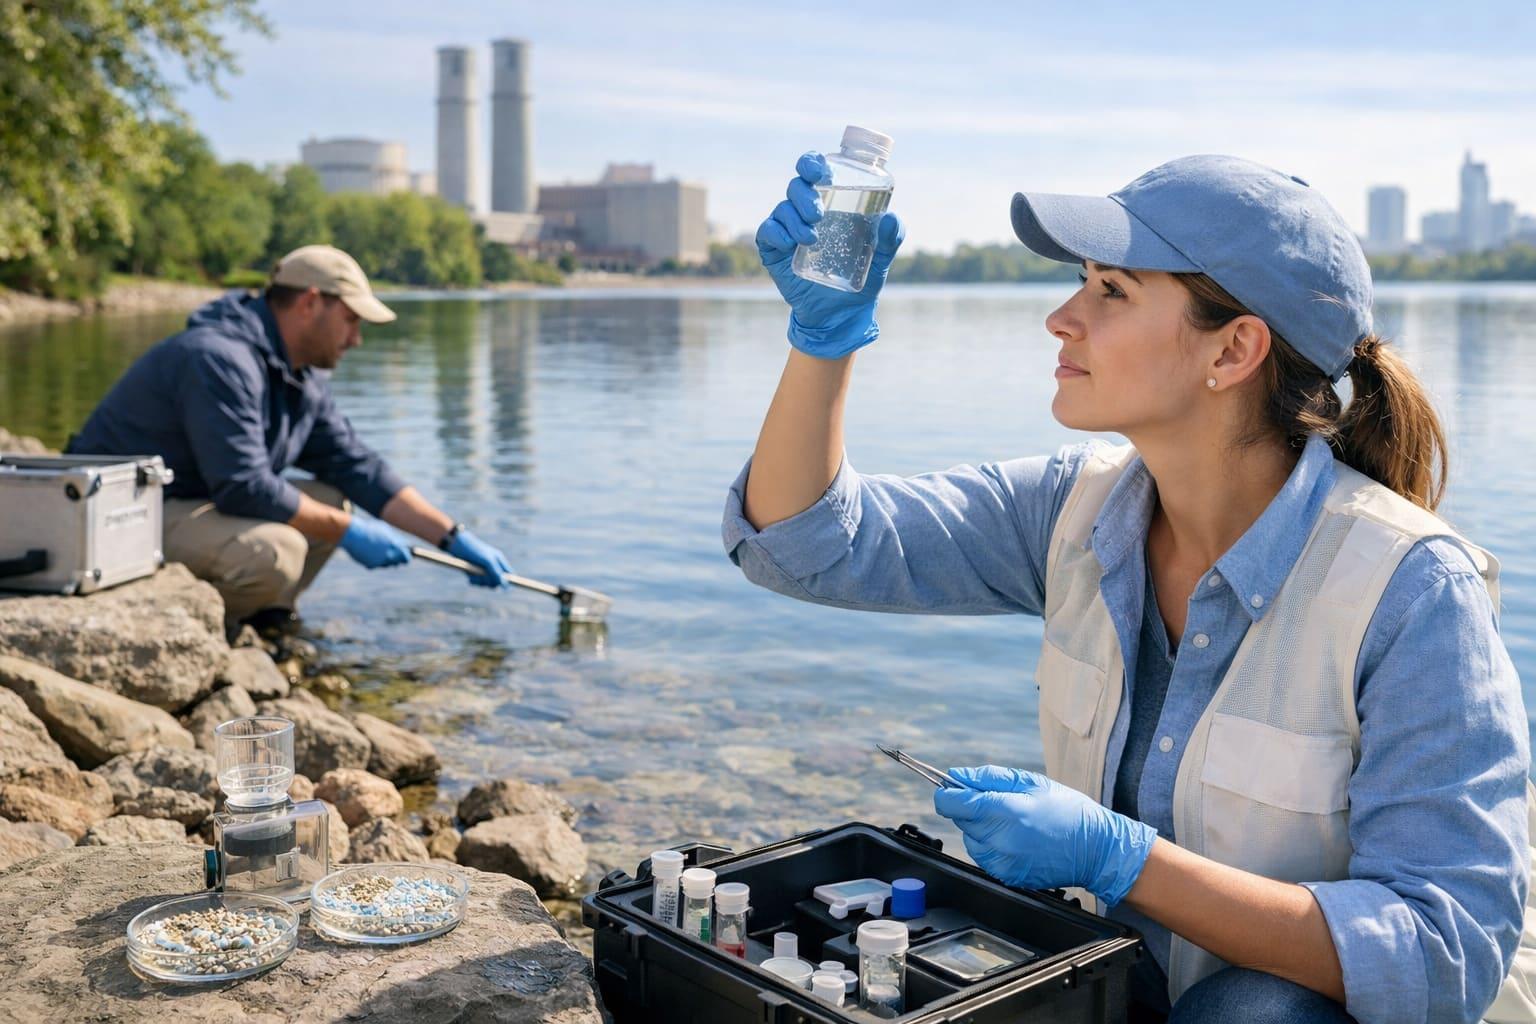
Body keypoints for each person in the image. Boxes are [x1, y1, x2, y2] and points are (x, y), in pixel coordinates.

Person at [722, 153, 1533, 1023]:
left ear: (1233, 350)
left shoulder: (1411, 592)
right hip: (1131, 989)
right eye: (1081, 283)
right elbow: (805, 547)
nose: (1060, 318)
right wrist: (822, 343)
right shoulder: (1074, 509)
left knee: (1255, 1012)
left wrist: (1124, 862)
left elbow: (1443, 955)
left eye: (1110, 291)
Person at [68, 245, 513, 630]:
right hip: (120, 515)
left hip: (189, 502)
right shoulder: (219, 359)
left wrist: (452, 538)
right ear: (310, 303)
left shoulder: (298, 376)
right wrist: (350, 532)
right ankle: (194, 626)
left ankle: (267, 620)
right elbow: (242, 485)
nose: (357, 339)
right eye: (351, 320)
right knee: (274, 552)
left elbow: (358, 467)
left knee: (331, 497)